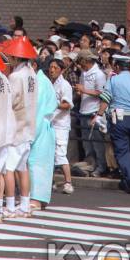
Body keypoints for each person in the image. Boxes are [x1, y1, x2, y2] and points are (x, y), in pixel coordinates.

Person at [96, 54, 130, 195]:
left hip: (119, 118)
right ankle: (127, 179)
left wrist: (99, 114)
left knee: (122, 150)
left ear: (117, 67)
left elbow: (106, 98)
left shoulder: (113, 80)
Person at [3, 35, 38, 218]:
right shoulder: (32, 74)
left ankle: (10, 205)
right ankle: (24, 204)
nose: (8, 58)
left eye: (10, 56)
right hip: (28, 125)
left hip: (17, 126)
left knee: (8, 168)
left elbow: (11, 101)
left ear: (16, 57)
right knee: (22, 167)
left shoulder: (16, 76)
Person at [28, 60, 58, 209]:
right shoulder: (41, 80)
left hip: (40, 126)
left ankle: (36, 199)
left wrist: (31, 133)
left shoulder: (39, 81)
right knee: (39, 164)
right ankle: (38, 198)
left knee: (36, 164)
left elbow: (37, 110)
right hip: (43, 126)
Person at [76, 49, 107, 176]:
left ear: (86, 60)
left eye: (80, 60)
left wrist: (84, 90)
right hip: (83, 110)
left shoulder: (99, 74)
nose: (79, 64)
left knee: (97, 143)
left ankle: (101, 167)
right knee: (87, 144)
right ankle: (90, 165)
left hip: (93, 111)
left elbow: (101, 93)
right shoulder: (83, 73)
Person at [47, 57, 74, 192]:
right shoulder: (50, 84)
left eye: (55, 68)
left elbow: (68, 104)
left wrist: (54, 105)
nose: (52, 70)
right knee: (49, 153)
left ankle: (68, 182)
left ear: (62, 70)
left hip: (61, 125)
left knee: (60, 154)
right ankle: (50, 181)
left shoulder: (65, 85)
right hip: (50, 123)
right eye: (51, 67)